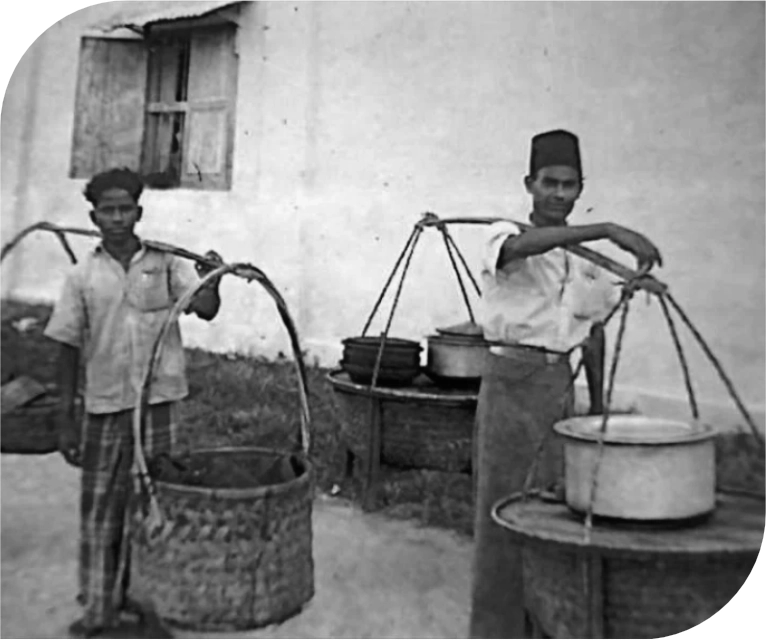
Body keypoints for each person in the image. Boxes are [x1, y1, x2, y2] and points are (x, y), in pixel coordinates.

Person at [469, 129, 663, 638]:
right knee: (505, 510)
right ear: (529, 184)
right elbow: (520, 247)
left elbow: (591, 334)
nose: (558, 194)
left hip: (559, 387)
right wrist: (606, 229)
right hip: (511, 383)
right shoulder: (503, 234)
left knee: (556, 508)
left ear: (580, 187)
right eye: (549, 183)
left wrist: (597, 413)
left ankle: (544, 624)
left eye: (569, 185)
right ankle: (496, 630)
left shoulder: (584, 263)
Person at [44, 168, 224, 638]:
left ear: (139, 212)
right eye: (109, 209)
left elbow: (204, 309)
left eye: (126, 208)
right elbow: (66, 347)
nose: (118, 217)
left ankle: (151, 607)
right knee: (102, 508)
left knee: (157, 506)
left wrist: (212, 280)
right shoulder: (82, 276)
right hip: (105, 406)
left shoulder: (165, 263)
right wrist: (66, 420)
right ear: (94, 215)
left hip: (159, 402)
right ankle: (101, 608)